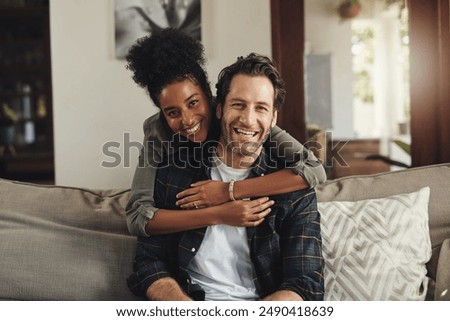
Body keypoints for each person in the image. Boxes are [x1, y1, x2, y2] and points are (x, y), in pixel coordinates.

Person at [127, 53, 324, 301]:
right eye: (238, 104)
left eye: (261, 107)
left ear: (273, 118)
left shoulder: (295, 188)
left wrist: (228, 191)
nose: (248, 119)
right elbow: (148, 260)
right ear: (220, 107)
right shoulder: (173, 168)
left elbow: (306, 285)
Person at [125, 28, 326, 237]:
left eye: (193, 102)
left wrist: (228, 190)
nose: (187, 119)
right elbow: (137, 217)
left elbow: (314, 169)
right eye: (172, 112)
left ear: (210, 96)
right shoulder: (158, 131)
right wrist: (218, 214)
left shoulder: (239, 118)